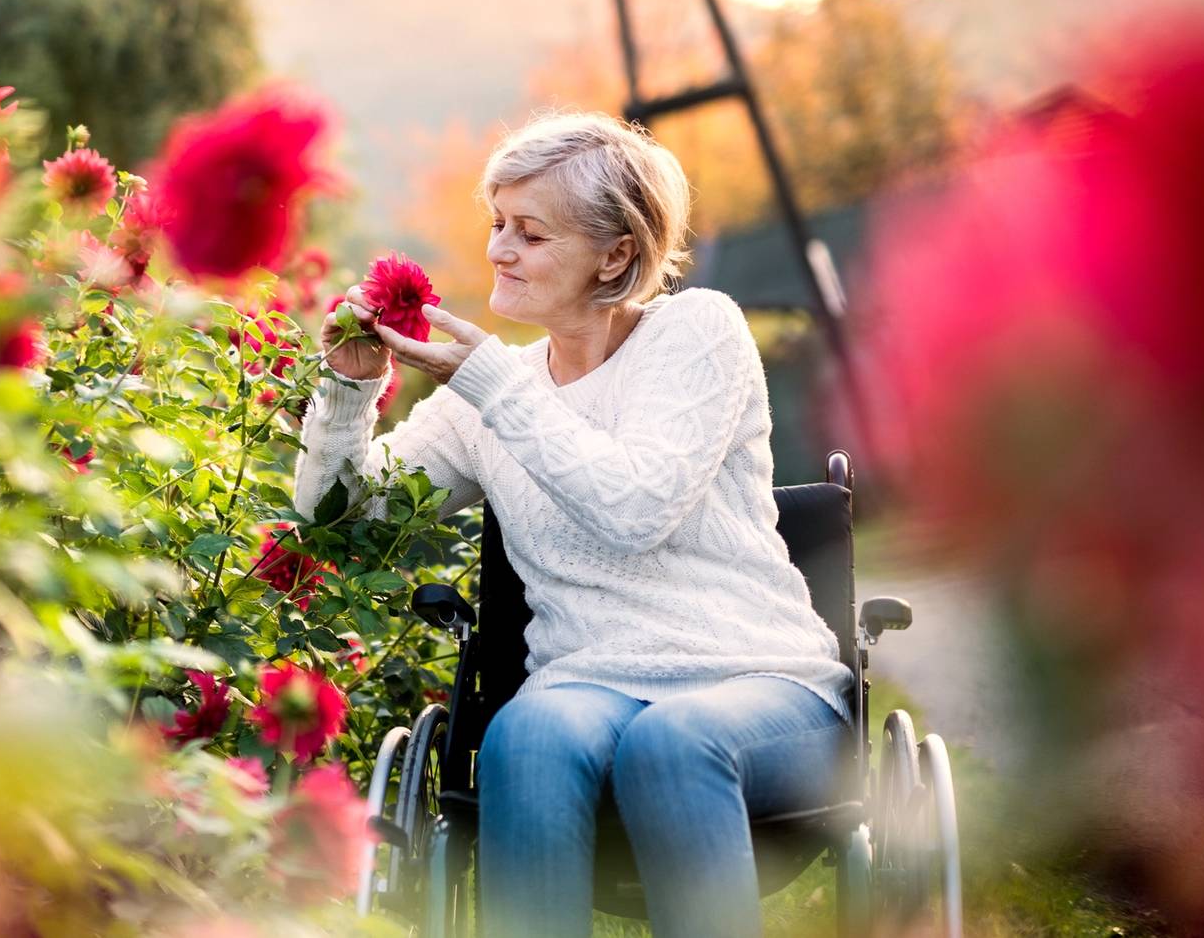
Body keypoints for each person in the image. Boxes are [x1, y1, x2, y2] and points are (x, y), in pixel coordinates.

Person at [292, 111, 852, 937]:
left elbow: (634, 510)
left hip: (758, 684)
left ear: (616, 254)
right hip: (586, 686)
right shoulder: (491, 397)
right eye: (497, 224)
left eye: (531, 233)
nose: (499, 250)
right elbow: (346, 521)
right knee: (526, 734)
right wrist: (346, 391)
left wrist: (490, 384)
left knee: (673, 740)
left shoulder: (699, 334)